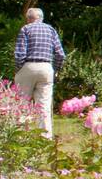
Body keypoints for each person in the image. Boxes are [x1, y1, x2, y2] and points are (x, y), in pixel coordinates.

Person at [13, 7, 66, 139]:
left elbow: (20, 54)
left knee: (22, 103)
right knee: (44, 105)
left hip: (29, 65)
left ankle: (20, 136)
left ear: (29, 18)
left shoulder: (25, 29)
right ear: (41, 18)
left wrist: (19, 69)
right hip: (46, 67)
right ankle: (45, 138)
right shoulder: (51, 30)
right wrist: (55, 70)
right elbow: (60, 54)